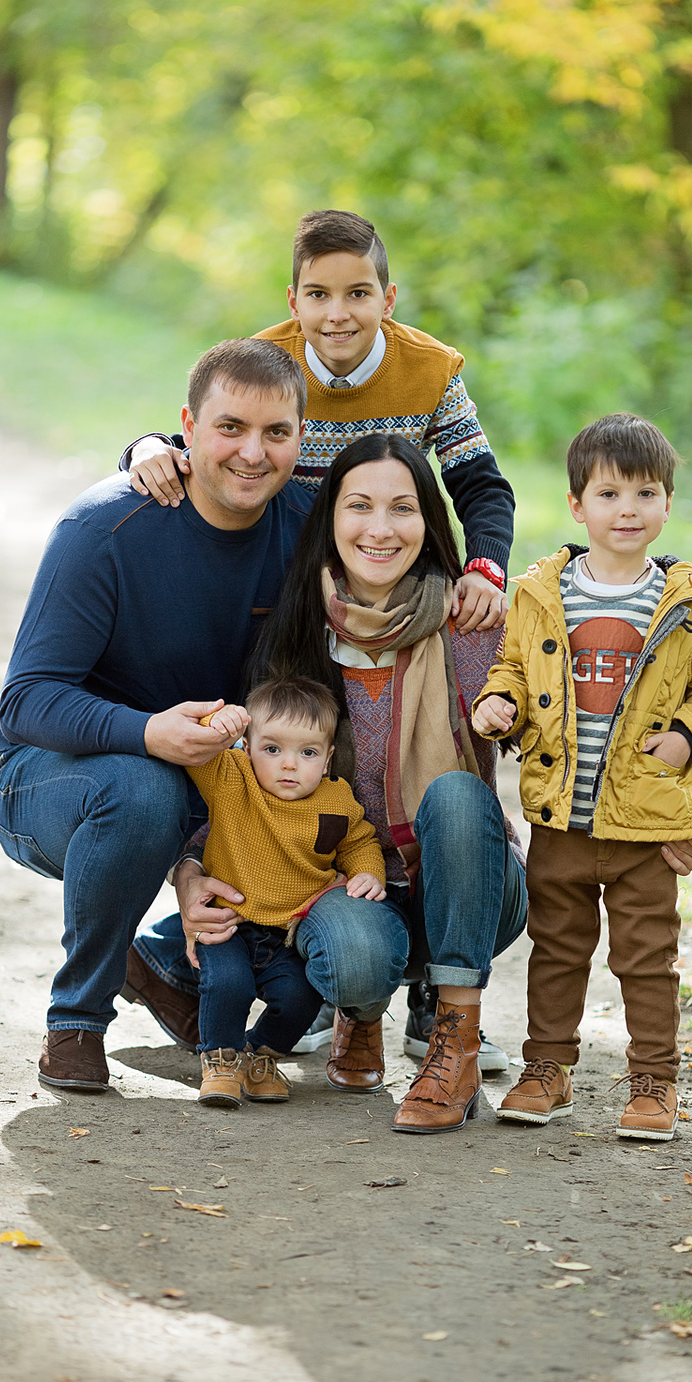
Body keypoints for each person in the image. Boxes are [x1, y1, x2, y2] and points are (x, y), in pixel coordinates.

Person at [126, 208, 517, 1070]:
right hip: (292, 592)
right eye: (317, 295)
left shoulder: (430, 372)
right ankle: (242, 935)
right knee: (278, 759)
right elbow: (203, 434)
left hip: (394, 588)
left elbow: (481, 483)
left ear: (387, 296)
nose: (337, 314)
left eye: (357, 293)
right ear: (293, 299)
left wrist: (484, 570)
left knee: (422, 781)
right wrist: (147, 444)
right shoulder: (265, 358)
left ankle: (429, 996)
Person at [0, 338, 327, 1091]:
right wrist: (146, 732)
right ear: (187, 429)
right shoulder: (105, 528)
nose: (252, 452)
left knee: (318, 776)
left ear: (301, 439)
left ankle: (163, 955)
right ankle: (76, 1021)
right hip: (43, 779)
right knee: (143, 789)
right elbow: (26, 698)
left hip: (206, 779)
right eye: (229, 427)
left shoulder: (306, 527)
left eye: (277, 433)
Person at [178, 428, 526, 1133]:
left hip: (462, 879)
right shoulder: (293, 632)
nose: (379, 528)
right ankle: (360, 1010)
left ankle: (452, 1042)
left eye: (402, 509)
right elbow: (238, 778)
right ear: (329, 518)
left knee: (458, 794)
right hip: (333, 884)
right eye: (358, 506)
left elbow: (563, 734)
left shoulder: (472, 624)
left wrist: (655, 816)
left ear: (428, 522)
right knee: (360, 958)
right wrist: (188, 866)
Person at [473, 414, 692, 1141]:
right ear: (577, 505)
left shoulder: (687, 604)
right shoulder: (543, 594)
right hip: (562, 813)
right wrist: (497, 701)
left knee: (646, 957)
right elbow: (511, 665)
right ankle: (548, 1070)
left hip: (647, 820)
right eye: (609, 493)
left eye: (645, 493)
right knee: (558, 948)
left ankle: (655, 1080)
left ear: (667, 504)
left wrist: (687, 738)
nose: (627, 510)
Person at [185, 677, 386, 1108]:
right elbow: (196, 748)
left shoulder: (336, 799)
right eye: (272, 749)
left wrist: (369, 872)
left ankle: (259, 1059)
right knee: (229, 987)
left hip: (289, 935)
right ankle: (219, 1062)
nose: (289, 765)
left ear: (329, 757)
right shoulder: (232, 777)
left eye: (307, 752)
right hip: (230, 922)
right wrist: (218, 721)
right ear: (247, 746)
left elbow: (359, 842)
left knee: (300, 998)